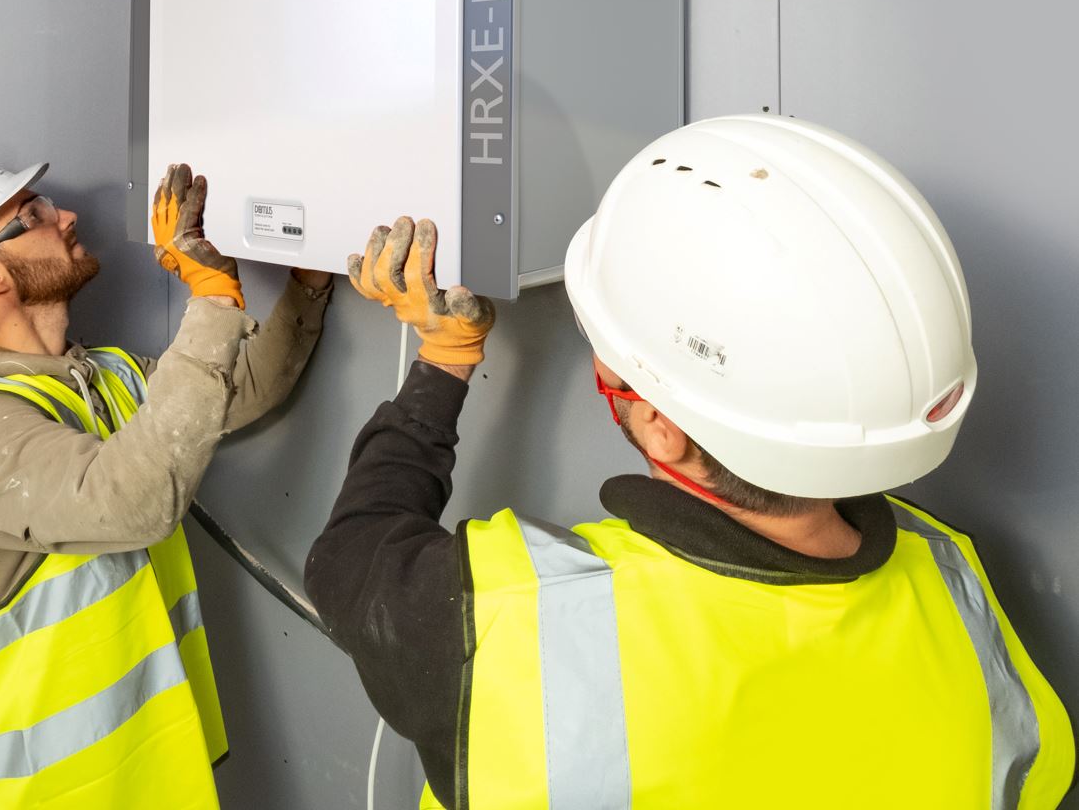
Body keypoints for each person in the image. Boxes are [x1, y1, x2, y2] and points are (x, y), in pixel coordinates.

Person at [306, 114, 1074, 809]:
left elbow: (350, 557)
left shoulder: (514, 615)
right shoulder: (953, 586)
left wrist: (442, 361)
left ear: (664, 432)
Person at [0, 158, 331, 809]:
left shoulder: (103, 376)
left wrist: (311, 280)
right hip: (37, 795)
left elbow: (239, 388)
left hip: (141, 775)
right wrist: (213, 300)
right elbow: (134, 504)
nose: (67, 216)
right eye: (32, 216)